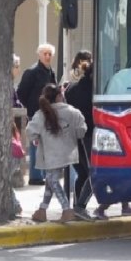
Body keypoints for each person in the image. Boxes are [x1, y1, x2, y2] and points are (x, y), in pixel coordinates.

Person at [65, 50, 131, 220]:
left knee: (86, 173)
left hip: (74, 136)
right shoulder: (97, 92)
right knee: (96, 172)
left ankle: (87, 205)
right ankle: (82, 206)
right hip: (92, 134)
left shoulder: (72, 89)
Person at [26, 83, 85, 223]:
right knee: (50, 181)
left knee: (52, 180)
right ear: (59, 96)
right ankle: (42, 210)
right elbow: (81, 130)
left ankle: (66, 209)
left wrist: (37, 139)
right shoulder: (73, 112)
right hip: (68, 153)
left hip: (51, 154)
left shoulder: (41, 115)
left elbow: (30, 132)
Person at [15, 43, 56, 185]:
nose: (47, 56)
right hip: (35, 114)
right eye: (45, 53)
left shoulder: (51, 72)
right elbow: (21, 93)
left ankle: (43, 174)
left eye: (50, 54)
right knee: (35, 144)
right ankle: (35, 176)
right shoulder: (31, 72)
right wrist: (30, 109)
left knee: (44, 145)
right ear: (39, 54)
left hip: (48, 114)